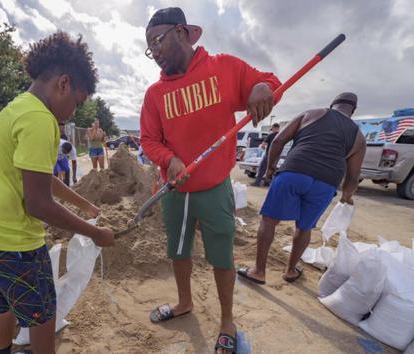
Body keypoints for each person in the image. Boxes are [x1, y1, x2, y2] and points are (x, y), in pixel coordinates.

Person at [0, 31, 115, 354]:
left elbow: (38, 177)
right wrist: (95, 232)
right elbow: (38, 203)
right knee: (43, 314)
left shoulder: (16, 109)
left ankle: (1, 350)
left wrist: (82, 202)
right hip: (12, 244)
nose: (73, 111)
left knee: (3, 306)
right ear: (63, 83)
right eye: (77, 101)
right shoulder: (41, 121)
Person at [140, 7, 280, 353]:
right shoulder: (155, 95)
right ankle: (184, 302)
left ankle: (227, 320)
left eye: (157, 41)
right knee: (178, 251)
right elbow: (148, 141)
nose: (154, 52)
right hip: (176, 190)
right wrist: (169, 159)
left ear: (182, 33)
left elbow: (270, 82)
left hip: (215, 188)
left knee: (221, 257)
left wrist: (263, 87)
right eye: (149, 48)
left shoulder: (223, 69)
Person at [238, 93, 366, 285]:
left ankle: (258, 271)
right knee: (304, 227)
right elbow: (353, 176)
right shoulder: (359, 137)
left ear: (332, 104)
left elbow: (279, 140)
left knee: (270, 220)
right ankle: (290, 271)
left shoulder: (311, 113)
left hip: (294, 171)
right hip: (326, 183)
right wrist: (347, 197)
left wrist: (271, 168)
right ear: (353, 111)